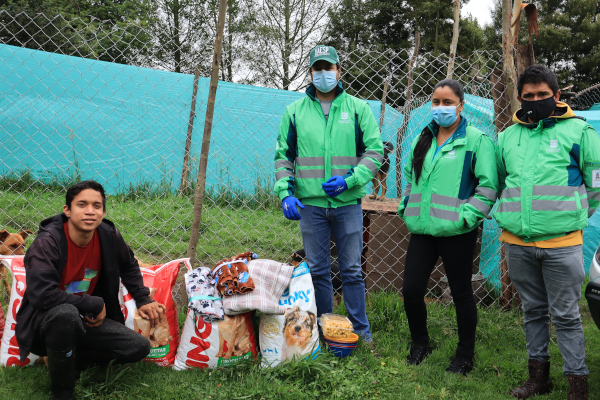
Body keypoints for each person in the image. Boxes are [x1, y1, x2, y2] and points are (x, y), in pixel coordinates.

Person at [496, 65, 600, 400]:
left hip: (563, 245)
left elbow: (596, 184)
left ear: (557, 96)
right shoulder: (507, 137)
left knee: (567, 315)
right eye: (529, 96)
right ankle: (538, 379)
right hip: (518, 244)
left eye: (543, 95)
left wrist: (575, 214)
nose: (536, 100)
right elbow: (499, 181)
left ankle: (577, 385)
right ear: (520, 97)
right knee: (533, 312)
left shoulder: (580, 133)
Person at [273, 45, 384, 353]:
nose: (324, 74)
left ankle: (362, 333)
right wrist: (286, 194)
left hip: (348, 204)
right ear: (311, 73)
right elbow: (284, 157)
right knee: (319, 271)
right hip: (311, 207)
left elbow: (375, 152)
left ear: (339, 70)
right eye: (318, 68)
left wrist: (351, 180)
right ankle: (326, 329)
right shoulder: (294, 112)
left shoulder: (358, 109)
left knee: (351, 270)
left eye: (329, 67)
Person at [16, 181, 166, 400]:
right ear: (67, 210)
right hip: (45, 320)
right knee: (65, 313)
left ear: (103, 212)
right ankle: (62, 391)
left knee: (137, 347)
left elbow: (129, 264)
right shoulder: (47, 242)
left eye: (96, 206)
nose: (90, 211)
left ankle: (63, 357)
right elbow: (42, 295)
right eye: (82, 204)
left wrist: (143, 298)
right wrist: (94, 303)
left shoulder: (108, 235)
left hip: (86, 319)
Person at [398, 79, 498, 375]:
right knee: (411, 290)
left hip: (457, 232)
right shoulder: (423, 138)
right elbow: (409, 179)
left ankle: (465, 354)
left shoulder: (476, 140)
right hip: (423, 231)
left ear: (461, 105)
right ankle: (420, 343)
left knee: (461, 293)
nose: (440, 107)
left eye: (447, 102)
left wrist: (466, 217)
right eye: (436, 101)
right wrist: (406, 206)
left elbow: (488, 188)